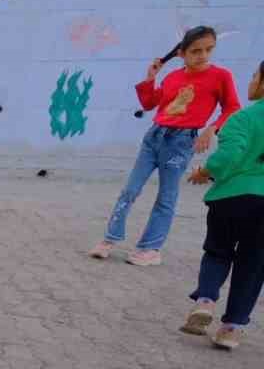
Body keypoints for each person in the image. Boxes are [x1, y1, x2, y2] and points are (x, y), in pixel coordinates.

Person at [89, 25, 242, 267]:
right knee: (130, 190)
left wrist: (212, 128)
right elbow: (150, 103)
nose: (203, 56)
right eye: (196, 51)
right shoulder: (173, 77)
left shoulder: (220, 76)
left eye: (208, 50)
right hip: (155, 136)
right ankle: (110, 239)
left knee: (166, 196)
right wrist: (151, 78)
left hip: (182, 142)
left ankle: (151, 249)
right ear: (182, 53)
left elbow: (232, 107)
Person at [181, 59, 264, 350]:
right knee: (254, 264)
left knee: (217, 252)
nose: (251, 80)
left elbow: (227, 157)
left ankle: (205, 301)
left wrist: (204, 172)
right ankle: (231, 328)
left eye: (254, 75)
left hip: (231, 199)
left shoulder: (243, 118)